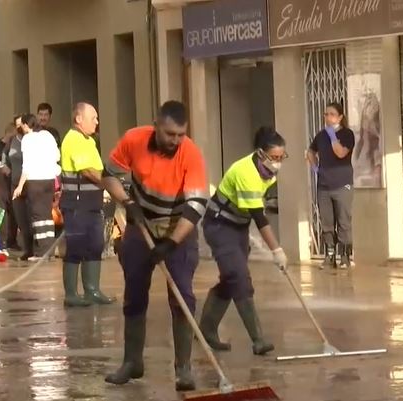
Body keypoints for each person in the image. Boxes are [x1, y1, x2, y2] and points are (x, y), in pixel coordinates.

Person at [103, 101, 207, 392]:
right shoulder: (134, 139)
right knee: (134, 294)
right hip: (141, 227)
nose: (175, 140)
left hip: (178, 228)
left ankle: (183, 369)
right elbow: (108, 174)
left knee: (183, 297)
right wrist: (127, 202)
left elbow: (196, 206)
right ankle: (132, 362)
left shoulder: (191, 154)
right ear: (156, 125)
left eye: (180, 134)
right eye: (170, 134)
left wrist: (172, 243)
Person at [199, 127, 288, 359]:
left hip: (237, 227)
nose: (278, 163)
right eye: (275, 157)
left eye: (281, 157)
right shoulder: (246, 172)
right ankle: (258, 340)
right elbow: (259, 217)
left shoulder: (268, 172)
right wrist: (276, 250)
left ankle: (206, 329)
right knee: (239, 277)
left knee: (231, 278)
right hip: (219, 225)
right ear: (261, 153)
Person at [59, 103, 114, 307]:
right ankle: (71, 294)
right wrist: (111, 182)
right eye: (94, 117)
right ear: (79, 119)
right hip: (76, 204)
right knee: (76, 247)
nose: (97, 122)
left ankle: (92, 290)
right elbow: (88, 171)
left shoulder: (88, 140)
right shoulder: (73, 139)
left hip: (92, 204)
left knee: (95, 245)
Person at [307, 102, 356, 269]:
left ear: (340, 117)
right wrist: (315, 168)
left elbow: (341, 153)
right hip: (324, 186)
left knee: (343, 222)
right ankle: (329, 257)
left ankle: (344, 257)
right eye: (326, 114)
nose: (327, 117)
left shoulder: (347, 134)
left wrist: (333, 136)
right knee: (327, 223)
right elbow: (310, 152)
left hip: (342, 184)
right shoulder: (321, 136)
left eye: (332, 114)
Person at [12, 114, 60, 261]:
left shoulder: (27, 139)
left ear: (27, 125)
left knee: (38, 217)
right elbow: (57, 156)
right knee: (47, 216)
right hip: (49, 180)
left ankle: (40, 253)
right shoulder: (48, 135)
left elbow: (26, 165)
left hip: (35, 181)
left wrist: (19, 186)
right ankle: (49, 250)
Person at [5, 115, 35, 260]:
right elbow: (4, 157)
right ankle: (27, 249)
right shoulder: (12, 141)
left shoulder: (30, 140)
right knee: (20, 217)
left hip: (29, 183)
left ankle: (35, 248)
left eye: (21, 124)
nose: (19, 127)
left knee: (31, 216)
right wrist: (5, 168)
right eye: (17, 125)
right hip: (14, 183)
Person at [0, 120, 19, 251]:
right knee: (0, 210)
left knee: (13, 210)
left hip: (11, 180)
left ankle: (12, 239)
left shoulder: (14, 146)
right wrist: (1, 166)